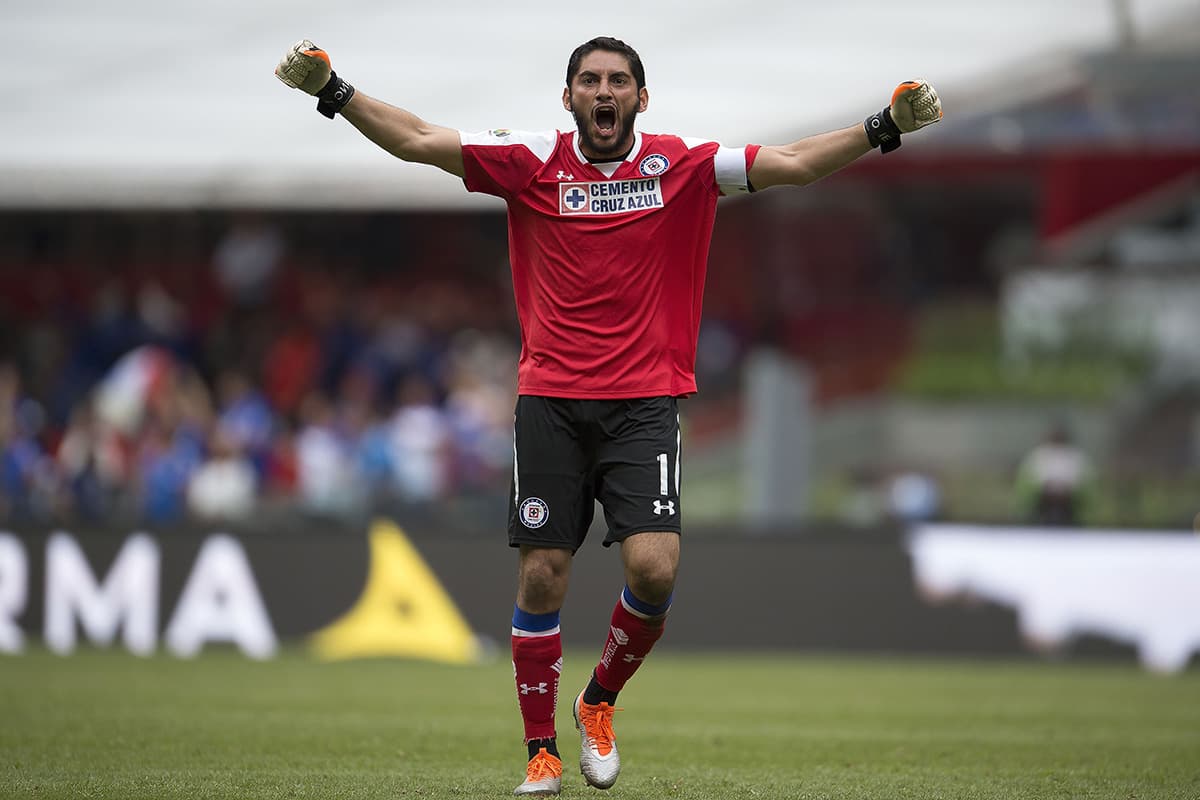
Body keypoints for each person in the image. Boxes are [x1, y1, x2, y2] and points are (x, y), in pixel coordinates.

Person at [276, 36, 942, 796]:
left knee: (654, 570)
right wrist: (333, 90)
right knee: (542, 576)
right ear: (568, 99)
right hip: (551, 402)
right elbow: (421, 141)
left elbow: (791, 162)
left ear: (640, 98)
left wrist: (881, 127)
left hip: (644, 403)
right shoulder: (531, 160)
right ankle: (540, 750)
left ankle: (597, 703)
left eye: (618, 80)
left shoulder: (683, 164)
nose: (604, 91)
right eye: (589, 80)